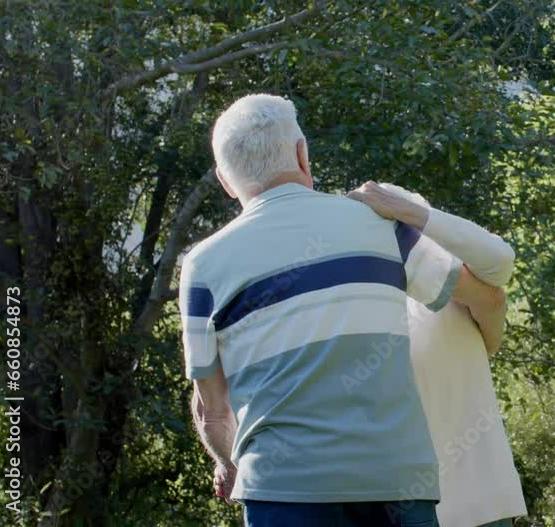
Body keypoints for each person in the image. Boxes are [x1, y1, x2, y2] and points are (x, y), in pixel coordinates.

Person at [177, 94, 505, 527]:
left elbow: (211, 409)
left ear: (224, 180)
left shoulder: (202, 265)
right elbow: (485, 289)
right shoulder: (377, 224)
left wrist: (227, 464)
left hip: (282, 492)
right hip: (398, 484)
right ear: (301, 154)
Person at [347, 182, 527, 527]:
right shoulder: (463, 295)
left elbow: (500, 261)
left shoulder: (456, 286)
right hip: (426, 506)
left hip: (479, 502)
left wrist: (406, 211)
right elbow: (495, 304)